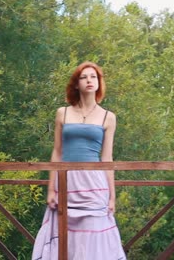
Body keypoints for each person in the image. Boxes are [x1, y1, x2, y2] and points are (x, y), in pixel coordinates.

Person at [32, 61, 126, 260]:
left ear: (99, 83)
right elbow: (56, 153)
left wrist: (112, 197)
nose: (89, 80)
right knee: (65, 235)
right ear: (76, 84)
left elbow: (107, 159)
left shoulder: (108, 117)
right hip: (66, 181)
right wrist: (51, 189)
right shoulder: (62, 113)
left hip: (94, 184)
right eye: (84, 77)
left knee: (93, 236)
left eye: (93, 77)